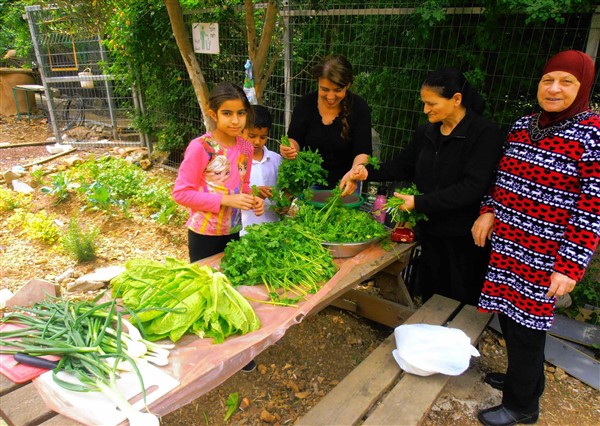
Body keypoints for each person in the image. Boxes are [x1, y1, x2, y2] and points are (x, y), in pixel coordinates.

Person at [471, 50, 600, 426]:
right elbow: (502, 177)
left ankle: (522, 406)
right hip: (510, 244)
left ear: (583, 87)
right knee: (510, 320)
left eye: (566, 82)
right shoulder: (524, 124)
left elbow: (592, 206)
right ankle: (523, 381)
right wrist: (489, 209)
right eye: (548, 80)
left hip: (547, 254)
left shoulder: (592, 133)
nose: (554, 89)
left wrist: (571, 264)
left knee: (528, 328)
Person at [341, 67, 504, 305]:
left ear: (456, 99)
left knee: (461, 301)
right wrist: (366, 172)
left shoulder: (484, 133)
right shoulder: (427, 131)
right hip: (431, 231)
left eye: (432, 103)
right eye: (424, 103)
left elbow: (472, 187)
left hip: (464, 237)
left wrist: (419, 202)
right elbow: (402, 165)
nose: (426, 109)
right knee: (432, 298)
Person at [281, 54, 372, 190]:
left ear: (348, 85)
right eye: (324, 89)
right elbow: (294, 138)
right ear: (317, 82)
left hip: (345, 184)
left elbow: (363, 151)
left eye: (337, 90)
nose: (330, 97)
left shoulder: (359, 108)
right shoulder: (305, 104)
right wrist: (289, 149)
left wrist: (356, 171)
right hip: (307, 184)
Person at [241, 104, 282, 235]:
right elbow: (228, 192)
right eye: (252, 136)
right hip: (244, 230)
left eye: (263, 137)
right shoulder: (237, 160)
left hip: (273, 228)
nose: (257, 142)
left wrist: (284, 204)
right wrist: (253, 192)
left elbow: (285, 192)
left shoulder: (276, 159)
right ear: (242, 131)